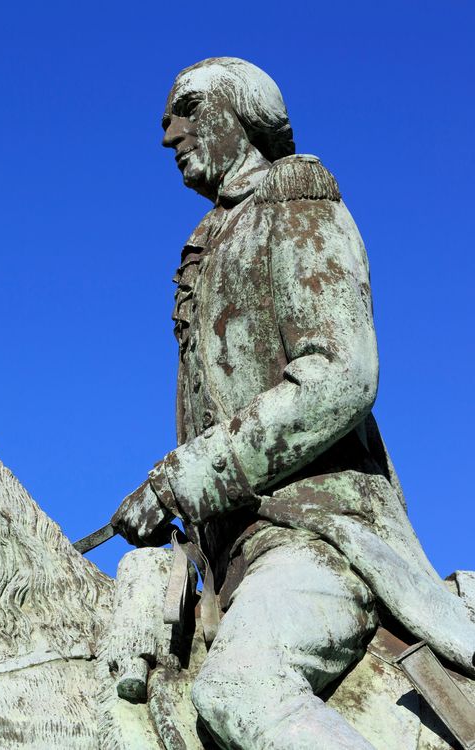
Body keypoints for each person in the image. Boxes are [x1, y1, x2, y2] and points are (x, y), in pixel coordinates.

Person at [110, 57, 475, 749]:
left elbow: (342, 374)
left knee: (237, 688)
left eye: (188, 109)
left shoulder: (297, 203)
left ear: (242, 114)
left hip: (317, 535)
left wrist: (191, 474)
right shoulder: (209, 243)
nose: (170, 135)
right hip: (228, 560)